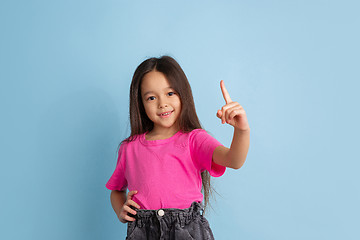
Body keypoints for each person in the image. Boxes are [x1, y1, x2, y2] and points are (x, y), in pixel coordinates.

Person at [105, 55, 250, 239]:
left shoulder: (194, 139)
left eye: (170, 93)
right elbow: (116, 190)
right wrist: (121, 211)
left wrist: (242, 130)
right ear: (140, 103)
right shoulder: (129, 148)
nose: (162, 103)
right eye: (151, 97)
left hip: (186, 231)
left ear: (183, 93)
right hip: (143, 231)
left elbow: (234, 160)